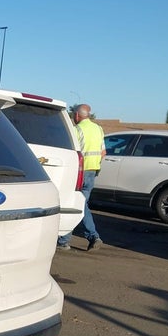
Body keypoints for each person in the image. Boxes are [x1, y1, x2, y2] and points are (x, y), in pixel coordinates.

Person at [57, 103, 105, 251]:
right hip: (92, 171)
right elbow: (103, 152)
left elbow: (71, 152)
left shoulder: (76, 130)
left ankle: (90, 236)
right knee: (80, 204)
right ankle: (65, 239)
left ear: (77, 115)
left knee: (77, 205)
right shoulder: (98, 129)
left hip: (79, 173)